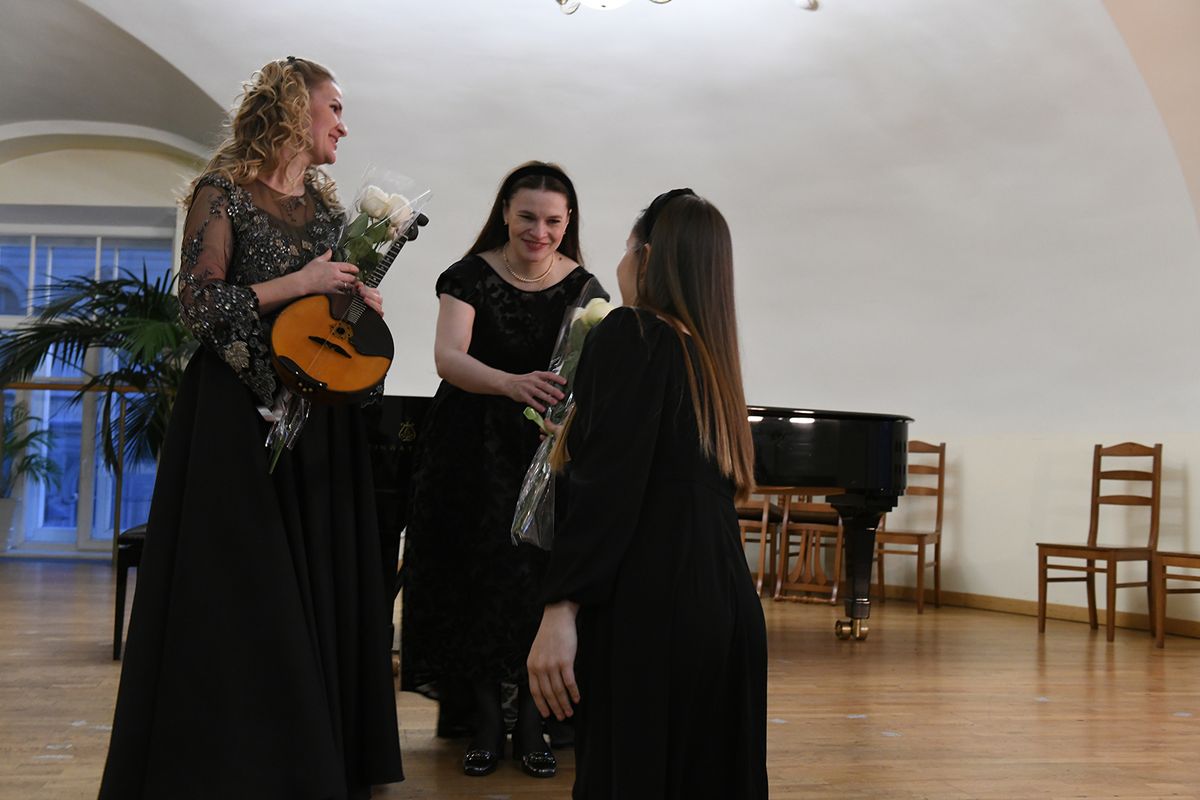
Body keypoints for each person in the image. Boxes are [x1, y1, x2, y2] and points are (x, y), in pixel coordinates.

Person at [98, 57, 405, 799]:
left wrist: (357, 305)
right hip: (233, 417)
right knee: (243, 588)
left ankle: (312, 761)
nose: (343, 125)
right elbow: (199, 306)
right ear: (295, 108)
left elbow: (326, 313)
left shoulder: (329, 208)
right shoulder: (223, 192)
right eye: (334, 108)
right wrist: (303, 282)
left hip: (318, 421)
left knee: (315, 586)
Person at [526, 189, 769, 799]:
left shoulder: (632, 332)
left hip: (653, 603)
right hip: (725, 604)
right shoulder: (710, 361)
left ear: (649, 256)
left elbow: (606, 489)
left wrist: (560, 608)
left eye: (627, 247)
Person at [400, 161, 604, 779]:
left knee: (534, 581)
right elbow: (448, 358)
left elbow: (589, 374)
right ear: (506, 215)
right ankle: (487, 722)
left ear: (567, 222)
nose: (539, 231)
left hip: (544, 451)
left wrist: (565, 419)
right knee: (476, 580)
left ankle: (535, 722)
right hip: (468, 448)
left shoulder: (585, 289)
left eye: (552, 220)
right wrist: (512, 384)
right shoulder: (469, 275)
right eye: (527, 218)